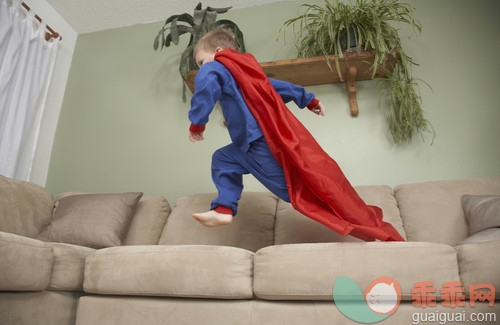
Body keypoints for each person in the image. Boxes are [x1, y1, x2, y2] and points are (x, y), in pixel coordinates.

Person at [188, 28, 404, 242]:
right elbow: (274, 87)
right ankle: (224, 208)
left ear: (218, 51)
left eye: (201, 62)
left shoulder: (215, 66)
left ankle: (363, 223)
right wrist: (308, 99)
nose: (201, 69)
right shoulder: (247, 76)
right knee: (222, 159)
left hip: (258, 144)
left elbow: (205, 87)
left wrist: (197, 124)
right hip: (248, 145)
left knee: (298, 192)